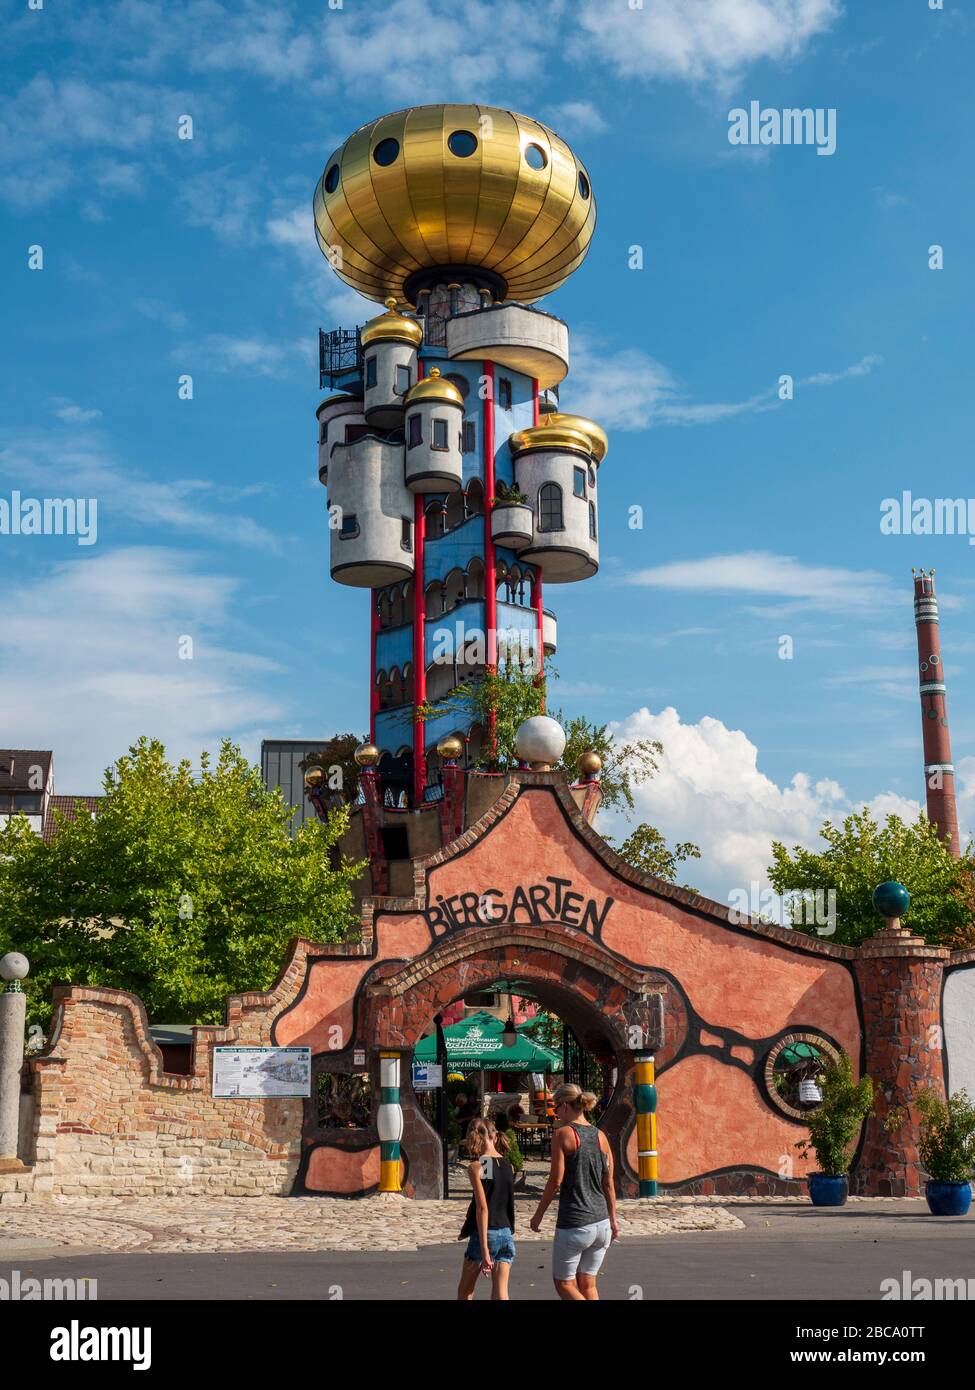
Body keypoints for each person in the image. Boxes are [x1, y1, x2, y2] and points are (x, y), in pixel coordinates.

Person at [529, 1083, 618, 1301]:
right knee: (588, 1285)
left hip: (575, 1222)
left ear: (566, 1106)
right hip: (602, 1223)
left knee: (564, 1284)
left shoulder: (563, 1135)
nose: (555, 1112)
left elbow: (555, 1180)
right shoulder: (601, 1136)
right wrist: (613, 1219)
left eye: (556, 1107)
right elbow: (608, 1183)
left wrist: (538, 1215)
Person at [456, 1118, 516, 1301]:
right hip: (506, 1232)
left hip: (487, 1233)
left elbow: (483, 1208)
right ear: (495, 1137)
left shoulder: (478, 1167)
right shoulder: (508, 1165)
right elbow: (494, 1194)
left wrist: (484, 1250)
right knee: (500, 1293)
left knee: (465, 1291)